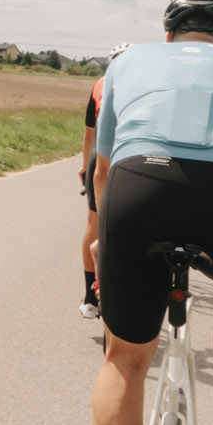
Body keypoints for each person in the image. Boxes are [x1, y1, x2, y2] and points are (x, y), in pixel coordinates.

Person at [85, 0, 213, 425]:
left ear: (168, 34)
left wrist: (100, 238)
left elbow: (103, 168)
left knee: (124, 358)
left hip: (140, 184)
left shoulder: (130, 61)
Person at [78, 44, 131, 319]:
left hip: (101, 156)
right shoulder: (146, 81)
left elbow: (90, 133)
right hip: (133, 156)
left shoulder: (100, 84)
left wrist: (84, 167)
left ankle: (90, 297)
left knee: (94, 223)